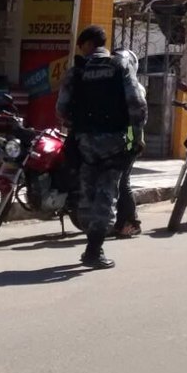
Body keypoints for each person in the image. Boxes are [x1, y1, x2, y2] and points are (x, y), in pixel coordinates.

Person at [57, 25, 147, 268]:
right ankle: (94, 251)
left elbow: (62, 108)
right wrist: (135, 138)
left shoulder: (77, 71)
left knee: (87, 191)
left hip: (84, 143)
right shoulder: (119, 67)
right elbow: (137, 105)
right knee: (107, 193)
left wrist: (79, 126)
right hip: (114, 143)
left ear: (88, 44)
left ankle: (92, 241)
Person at [111, 45, 145, 238]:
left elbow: (138, 117)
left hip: (129, 138)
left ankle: (131, 222)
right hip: (114, 137)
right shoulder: (112, 84)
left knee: (123, 180)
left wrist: (135, 141)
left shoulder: (135, 87)